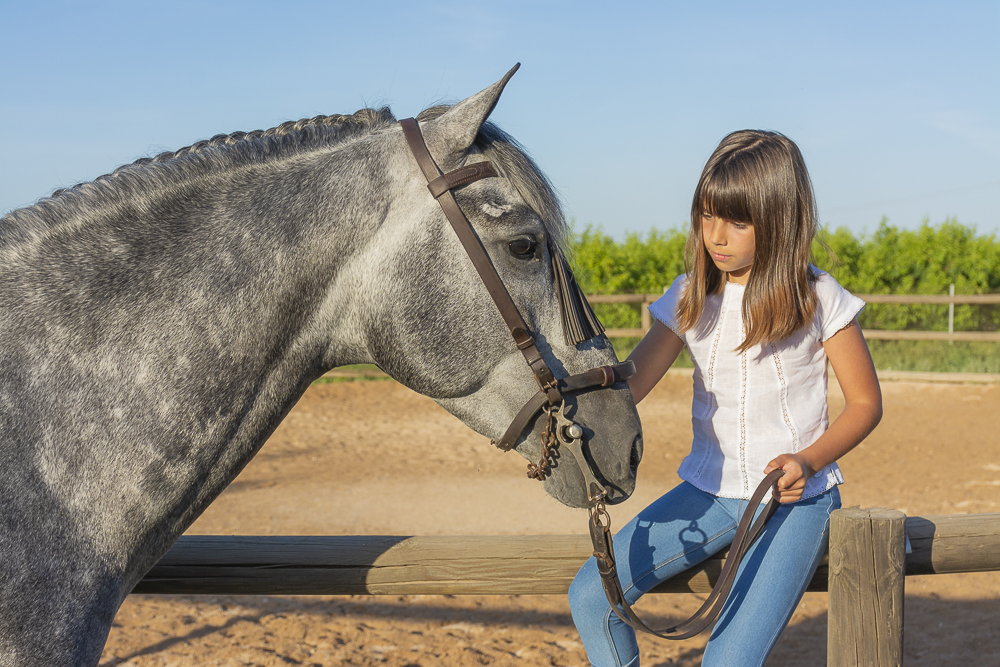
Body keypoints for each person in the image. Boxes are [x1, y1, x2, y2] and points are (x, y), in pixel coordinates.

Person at [568, 130, 883, 667]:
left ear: (780, 219)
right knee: (592, 597)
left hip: (793, 502)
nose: (716, 235)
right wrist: (574, 402)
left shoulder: (818, 296)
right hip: (706, 491)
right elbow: (632, 383)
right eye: (707, 216)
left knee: (728, 662)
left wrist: (808, 461)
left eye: (737, 221)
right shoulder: (689, 294)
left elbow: (866, 404)